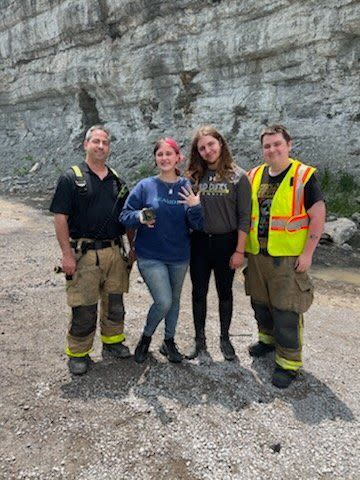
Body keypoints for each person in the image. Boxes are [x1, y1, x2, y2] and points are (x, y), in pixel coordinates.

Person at [244, 124, 326, 388]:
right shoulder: (254, 175)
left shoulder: (304, 176)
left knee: (287, 311)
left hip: (288, 259)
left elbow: (318, 216)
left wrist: (308, 253)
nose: (272, 149)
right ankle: (266, 341)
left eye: (277, 144)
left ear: (289, 145)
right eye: (267, 146)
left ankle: (288, 364)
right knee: (260, 303)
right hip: (258, 256)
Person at [50, 125, 133, 375]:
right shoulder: (70, 178)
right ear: (85, 144)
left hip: (114, 252)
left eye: (105, 142)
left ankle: (113, 342)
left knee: (115, 303)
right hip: (84, 254)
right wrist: (66, 255)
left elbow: (127, 217)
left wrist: (133, 248)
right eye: (95, 141)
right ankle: (78, 353)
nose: (100, 146)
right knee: (84, 308)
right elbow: (60, 218)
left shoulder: (117, 180)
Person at [120, 138, 203, 364]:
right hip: (150, 255)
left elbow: (197, 225)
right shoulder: (145, 186)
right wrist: (140, 216)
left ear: (178, 157)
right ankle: (145, 338)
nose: (164, 158)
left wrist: (195, 207)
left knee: (174, 300)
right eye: (160, 154)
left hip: (179, 256)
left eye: (169, 154)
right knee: (164, 301)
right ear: (156, 159)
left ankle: (169, 341)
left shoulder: (187, 186)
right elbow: (124, 215)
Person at [185, 125, 251, 361]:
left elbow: (245, 217)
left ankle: (224, 337)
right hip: (200, 243)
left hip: (226, 243)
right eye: (202, 148)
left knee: (225, 293)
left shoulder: (239, 176)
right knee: (198, 293)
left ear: (220, 144)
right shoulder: (194, 177)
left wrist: (239, 251)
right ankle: (199, 340)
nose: (207, 150)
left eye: (211, 144)